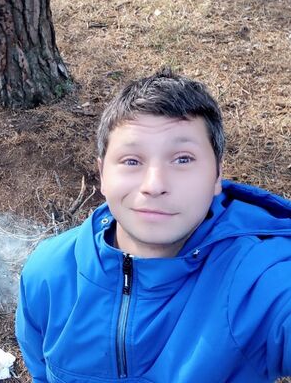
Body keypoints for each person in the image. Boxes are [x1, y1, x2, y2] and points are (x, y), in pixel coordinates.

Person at [15, 69, 291, 383]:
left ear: (217, 175)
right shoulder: (47, 274)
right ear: (102, 175)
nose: (154, 185)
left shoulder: (258, 281)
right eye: (132, 161)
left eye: (183, 159)